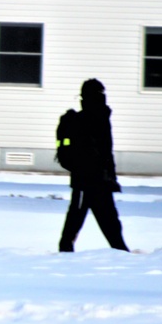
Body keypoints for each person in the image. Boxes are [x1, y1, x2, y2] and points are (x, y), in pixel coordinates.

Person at [57, 78, 129, 252]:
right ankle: (120, 250)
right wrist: (110, 176)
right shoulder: (102, 117)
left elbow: (102, 151)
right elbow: (105, 152)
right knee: (107, 218)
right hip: (97, 179)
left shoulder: (79, 119)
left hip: (88, 179)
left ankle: (66, 249)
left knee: (80, 217)